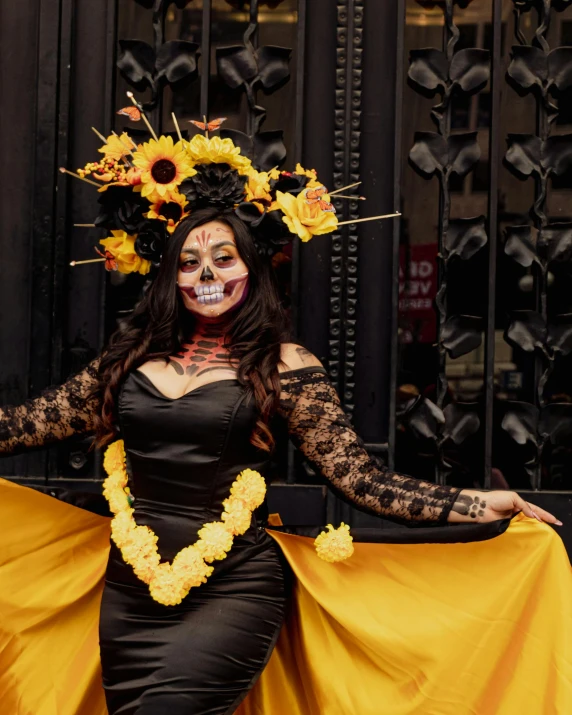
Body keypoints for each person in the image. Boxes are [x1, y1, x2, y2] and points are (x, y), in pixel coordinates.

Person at [0, 130, 570, 715]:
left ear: (252, 269)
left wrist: (479, 503)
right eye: (190, 261)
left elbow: (360, 480)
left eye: (225, 258)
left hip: (231, 588)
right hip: (131, 594)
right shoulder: (125, 364)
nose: (207, 274)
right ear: (171, 275)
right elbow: (18, 428)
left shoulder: (286, 367)